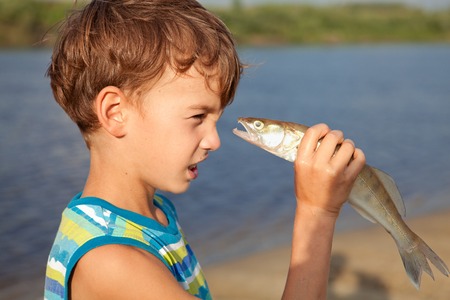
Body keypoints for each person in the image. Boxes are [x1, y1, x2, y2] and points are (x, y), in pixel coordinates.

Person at [44, 0, 366, 299]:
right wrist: (317, 213)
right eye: (198, 116)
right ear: (116, 113)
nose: (214, 140)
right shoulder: (112, 262)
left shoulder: (153, 213)